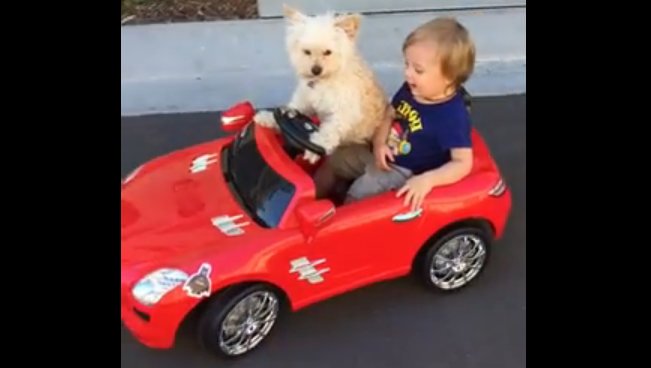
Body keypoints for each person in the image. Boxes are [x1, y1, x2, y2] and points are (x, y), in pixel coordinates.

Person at [313, 17, 476, 211]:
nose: (408, 73)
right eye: (406, 64)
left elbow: (463, 163)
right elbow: (390, 114)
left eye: (418, 69)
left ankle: (335, 230)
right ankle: (306, 207)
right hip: (381, 153)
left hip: (405, 171)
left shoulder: (452, 117)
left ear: (449, 77)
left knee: (359, 193)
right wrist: (380, 143)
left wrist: (427, 180)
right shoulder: (412, 89)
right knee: (337, 160)